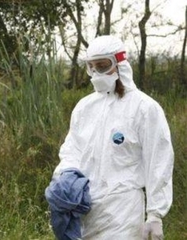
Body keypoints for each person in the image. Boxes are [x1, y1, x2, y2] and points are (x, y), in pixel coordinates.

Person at [48, 35, 174, 239]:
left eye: (103, 65)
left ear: (119, 63)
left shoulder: (144, 108)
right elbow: (72, 150)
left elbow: (158, 161)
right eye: (92, 66)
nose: (97, 72)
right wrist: (65, 177)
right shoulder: (85, 107)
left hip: (123, 211)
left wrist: (155, 214)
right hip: (85, 209)